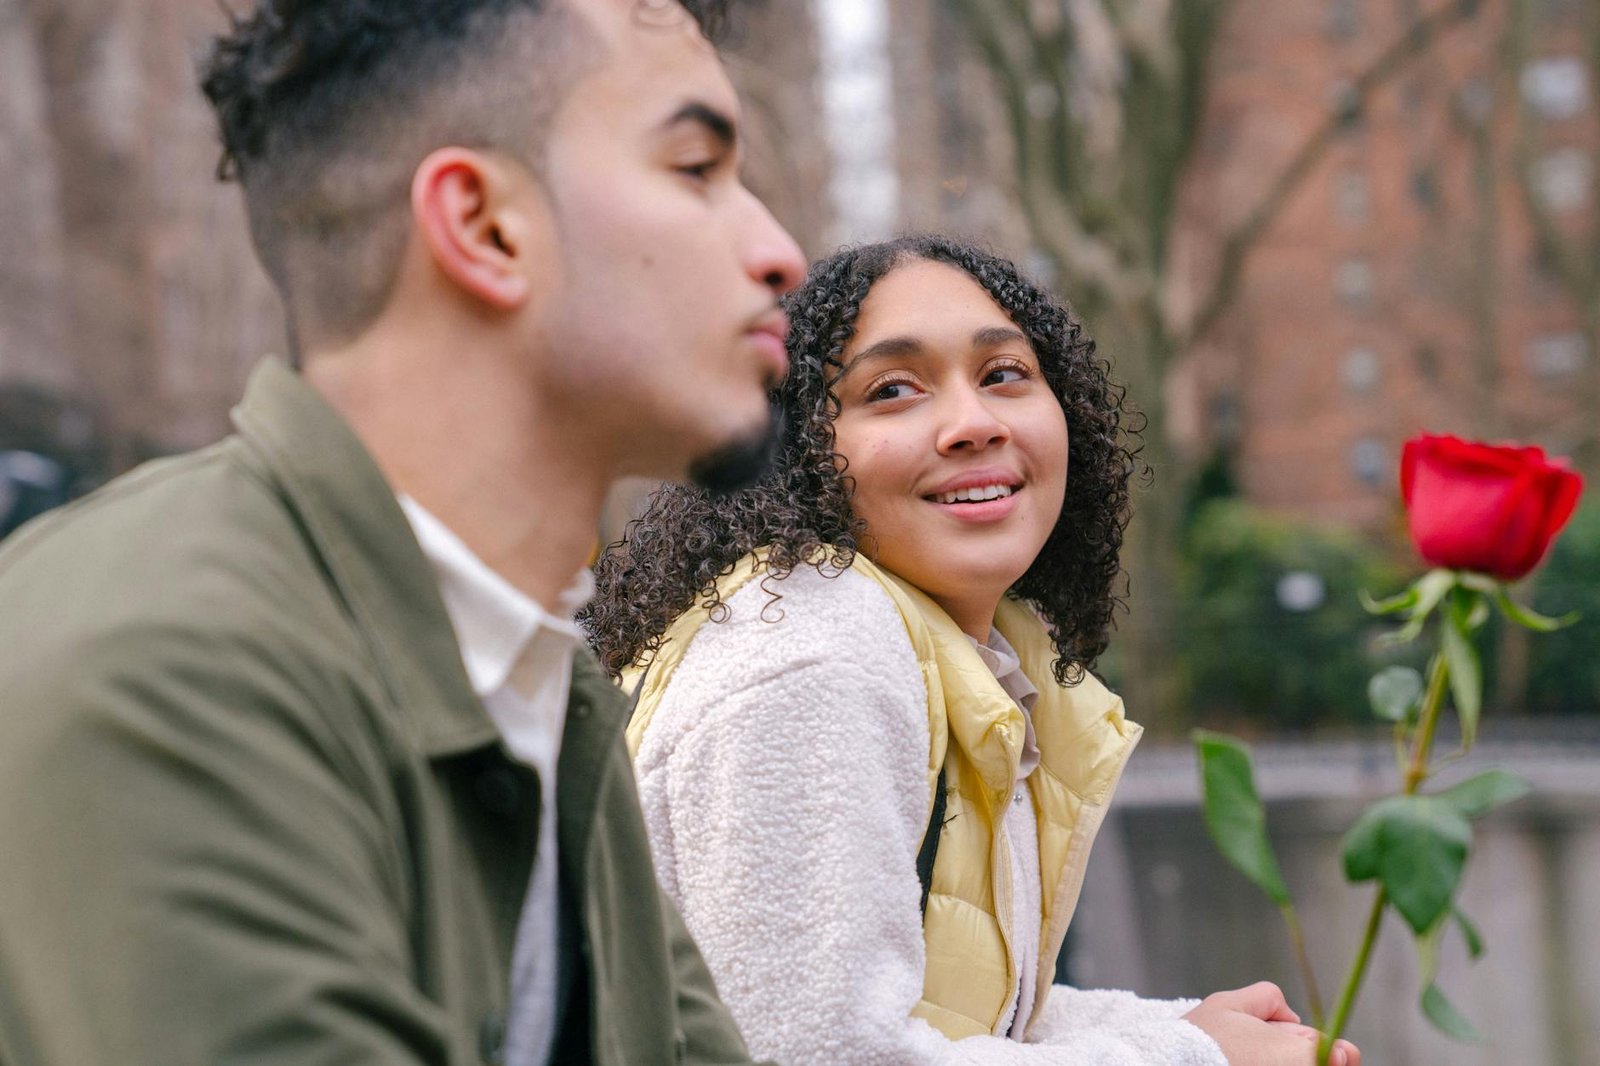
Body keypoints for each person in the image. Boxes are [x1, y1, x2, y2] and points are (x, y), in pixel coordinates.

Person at [0, 1, 805, 1063]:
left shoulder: (540, 687)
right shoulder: (161, 663)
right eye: (696, 167)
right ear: (483, 227)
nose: (781, 253)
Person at [584, 236, 1362, 1066]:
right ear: (795, 452)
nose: (972, 423)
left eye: (1003, 375)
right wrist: (1194, 1062)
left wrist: (1174, 1033)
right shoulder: (817, 649)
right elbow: (818, 1054)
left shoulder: (964, 659)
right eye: (893, 390)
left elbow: (955, 1020)